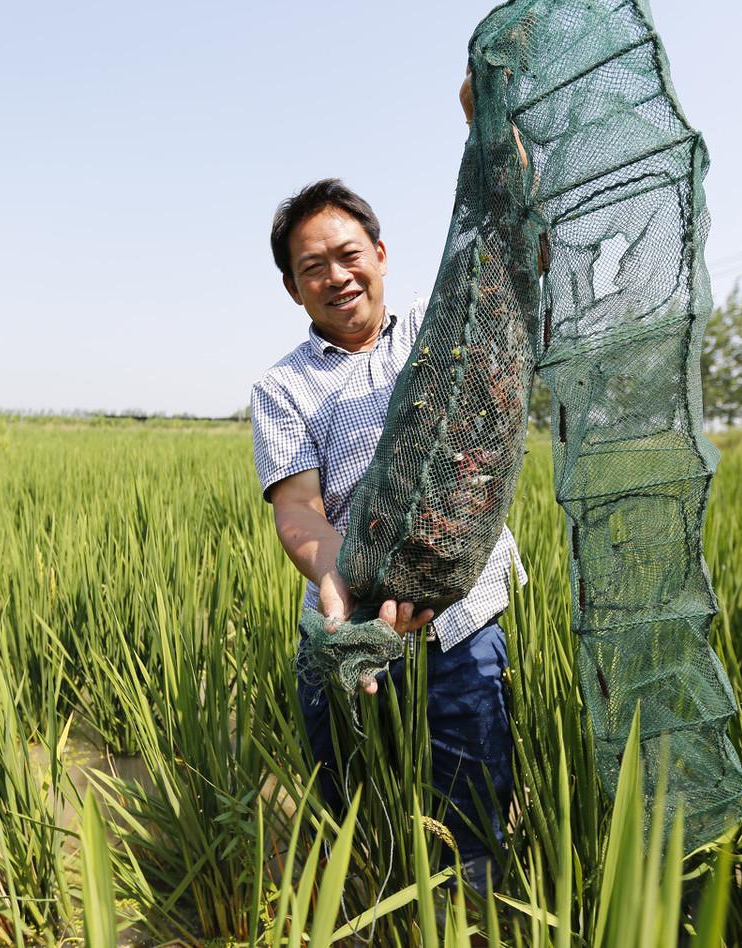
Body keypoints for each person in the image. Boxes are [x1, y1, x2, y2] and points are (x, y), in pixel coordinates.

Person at [248, 173, 527, 888]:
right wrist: (353, 585)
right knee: (348, 815)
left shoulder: (441, 330)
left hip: (460, 625)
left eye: (348, 255)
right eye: (313, 268)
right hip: (350, 633)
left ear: (379, 252)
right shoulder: (282, 388)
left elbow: (516, 255)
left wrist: (492, 131)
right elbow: (298, 509)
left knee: (471, 827)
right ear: (293, 288)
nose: (336, 277)